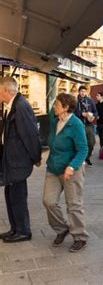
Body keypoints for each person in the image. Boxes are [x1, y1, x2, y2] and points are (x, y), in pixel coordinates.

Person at [42, 93, 89, 252]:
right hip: (54, 168)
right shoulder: (56, 120)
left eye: (57, 104)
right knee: (49, 201)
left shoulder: (76, 124)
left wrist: (72, 166)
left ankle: (80, 237)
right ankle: (62, 228)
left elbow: (83, 149)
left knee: (73, 205)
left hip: (72, 169)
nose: (54, 106)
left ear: (66, 108)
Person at [0, 77, 42, 243]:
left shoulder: (21, 106)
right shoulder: (10, 106)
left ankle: (24, 231)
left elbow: (31, 135)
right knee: (10, 193)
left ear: (6, 90)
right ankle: (15, 228)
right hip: (10, 160)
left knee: (17, 195)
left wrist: (36, 156)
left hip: (18, 161)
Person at [74, 86, 97, 166]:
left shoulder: (90, 101)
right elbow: (72, 113)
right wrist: (81, 114)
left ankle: (87, 157)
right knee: (80, 143)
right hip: (79, 125)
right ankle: (81, 159)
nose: (83, 93)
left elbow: (95, 111)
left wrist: (93, 116)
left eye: (84, 91)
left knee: (91, 142)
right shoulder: (75, 101)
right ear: (79, 92)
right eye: (81, 91)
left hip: (88, 125)